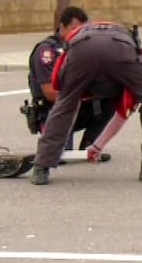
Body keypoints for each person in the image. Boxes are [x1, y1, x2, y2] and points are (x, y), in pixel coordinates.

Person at [30, 6, 142, 185]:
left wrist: (68, 96)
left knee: (65, 103)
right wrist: (99, 145)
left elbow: (59, 90)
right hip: (121, 47)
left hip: (80, 47)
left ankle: (41, 167)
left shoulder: (72, 49)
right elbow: (123, 113)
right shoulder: (128, 74)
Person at [25, 11, 115, 162]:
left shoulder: (83, 48)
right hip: (54, 111)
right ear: (62, 27)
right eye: (75, 29)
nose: (79, 34)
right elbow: (50, 93)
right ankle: (52, 146)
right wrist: (82, 95)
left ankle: (91, 146)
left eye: (83, 30)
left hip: (79, 106)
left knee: (112, 99)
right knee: (61, 156)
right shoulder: (47, 52)